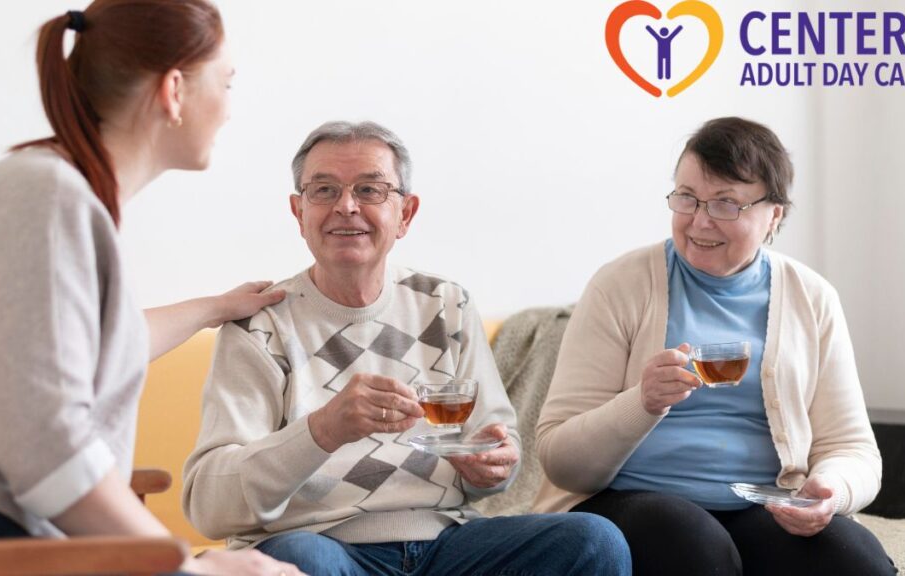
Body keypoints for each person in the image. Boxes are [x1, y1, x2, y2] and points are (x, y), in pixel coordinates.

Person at [0, 2, 303, 574]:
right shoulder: (45, 198)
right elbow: (48, 451)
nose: (227, 110)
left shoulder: (62, 198)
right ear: (174, 90)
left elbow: (86, 350)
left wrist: (214, 308)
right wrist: (186, 567)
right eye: (226, 83)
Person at [182, 121, 631, 575]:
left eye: (370, 190)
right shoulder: (260, 325)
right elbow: (209, 506)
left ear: (406, 214)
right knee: (302, 560)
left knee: (594, 541)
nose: (346, 206)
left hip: (444, 545)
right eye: (324, 190)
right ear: (299, 212)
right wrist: (322, 430)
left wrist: (493, 468)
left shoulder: (446, 305)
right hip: (323, 546)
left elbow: (497, 445)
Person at [533, 116, 895, 575]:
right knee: (694, 545)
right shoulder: (619, 285)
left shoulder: (813, 298)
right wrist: (641, 403)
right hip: (629, 500)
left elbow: (853, 447)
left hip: (760, 504)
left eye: (726, 204)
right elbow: (560, 461)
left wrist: (832, 488)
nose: (700, 221)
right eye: (687, 198)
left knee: (856, 561)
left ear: (774, 215)